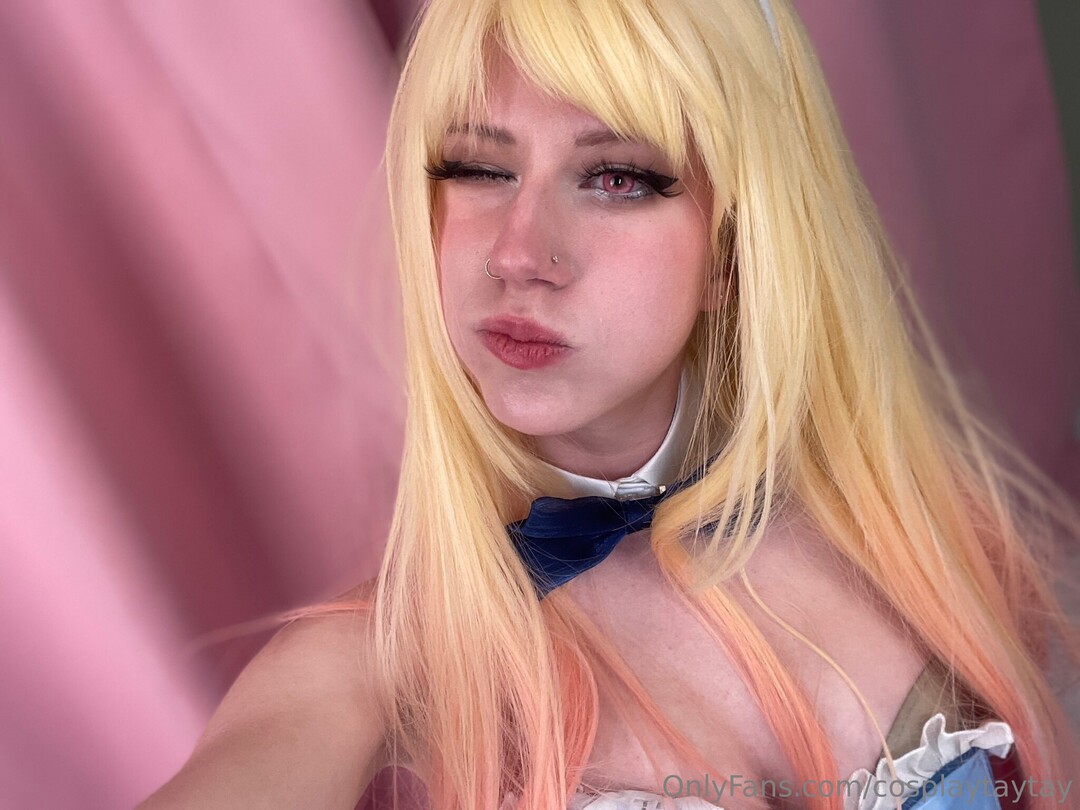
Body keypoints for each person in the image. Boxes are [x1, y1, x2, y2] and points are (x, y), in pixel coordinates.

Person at [138, 0, 1080, 808]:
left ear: (732, 250)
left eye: (616, 177)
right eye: (478, 169)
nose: (518, 253)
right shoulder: (383, 656)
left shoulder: (940, 542)